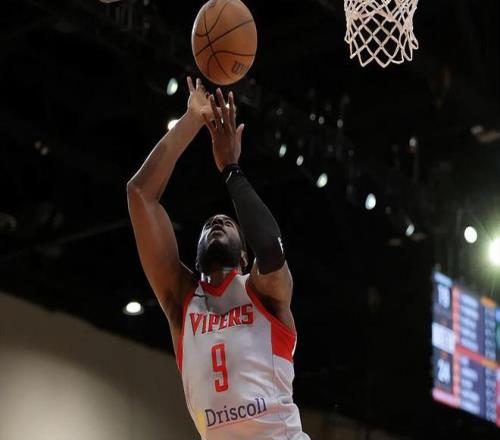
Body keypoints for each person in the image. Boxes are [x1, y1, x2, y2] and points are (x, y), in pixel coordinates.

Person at [127, 77, 310, 439]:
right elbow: (139, 195)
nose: (216, 223)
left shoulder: (263, 292)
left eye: (227, 222)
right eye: (209, 224)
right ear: (195, 256)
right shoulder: (182, 301)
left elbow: (270, 248)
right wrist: (191, 120)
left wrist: (230, 169)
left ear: (243, 255)